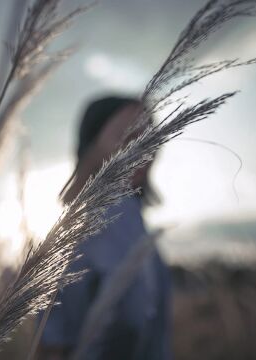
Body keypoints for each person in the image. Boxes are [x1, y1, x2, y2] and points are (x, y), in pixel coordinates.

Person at [38, 96, 172, 360]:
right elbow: (54, 345)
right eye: (128, 135)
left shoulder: (132, 220)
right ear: (91, 145)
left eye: (150, 139)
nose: (142, 150)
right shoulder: (97, 220)